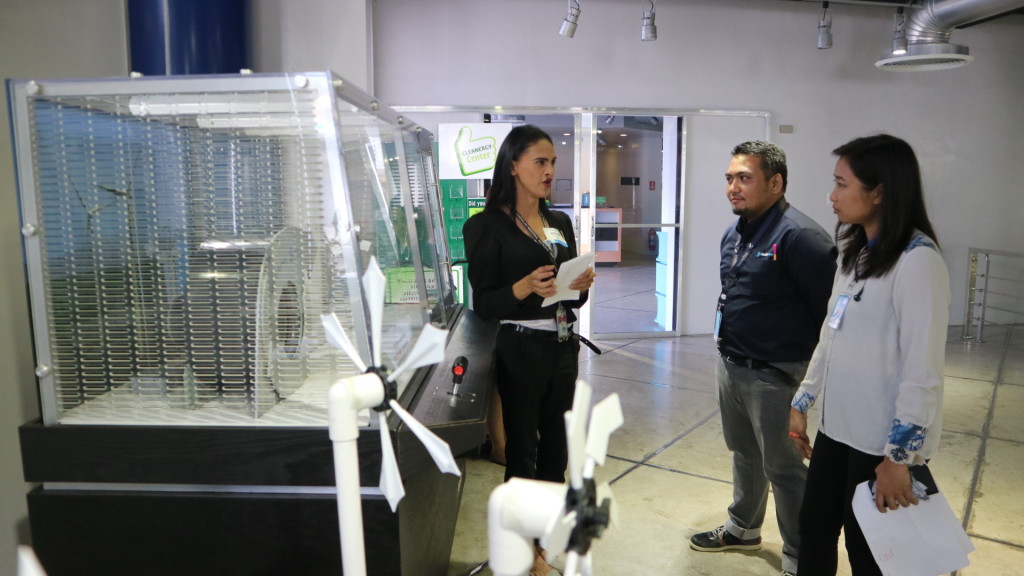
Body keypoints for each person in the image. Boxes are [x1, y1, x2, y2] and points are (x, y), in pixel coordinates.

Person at [788, 134, 950, 575]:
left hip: (880, 443)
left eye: (842, 184)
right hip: (838, 430)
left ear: (879, 192)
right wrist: (802, 402)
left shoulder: (918, 262)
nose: (831, 195)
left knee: (872, 555)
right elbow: (831, 332)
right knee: (815, 528)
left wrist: (898, 459)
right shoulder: (854, 252)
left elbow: (923, 370)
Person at [690, 141, 837, 576]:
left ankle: (800, 558)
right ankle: (742, 527)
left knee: (785, 471)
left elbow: (828, 316)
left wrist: (804, 391)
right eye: (730, 178)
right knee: (743, 453)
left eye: (744, 178)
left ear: (775, 183)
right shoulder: (735, 233)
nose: (733, 187)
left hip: (777, 376)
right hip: (732, 363)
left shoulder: (801, 238)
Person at [463, 124, 595, 576]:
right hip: (519, 350)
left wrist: (579, 286)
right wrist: (520, 287)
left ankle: (541, 542)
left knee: (556, 451)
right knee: (522, 452)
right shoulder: (485, 226)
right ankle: (519, 548)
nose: (549, 170)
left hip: (562, 346)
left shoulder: (559, 222)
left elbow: (573, 299)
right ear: (513, 165)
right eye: (540, 161)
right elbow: (483, 302)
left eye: (553, 162)